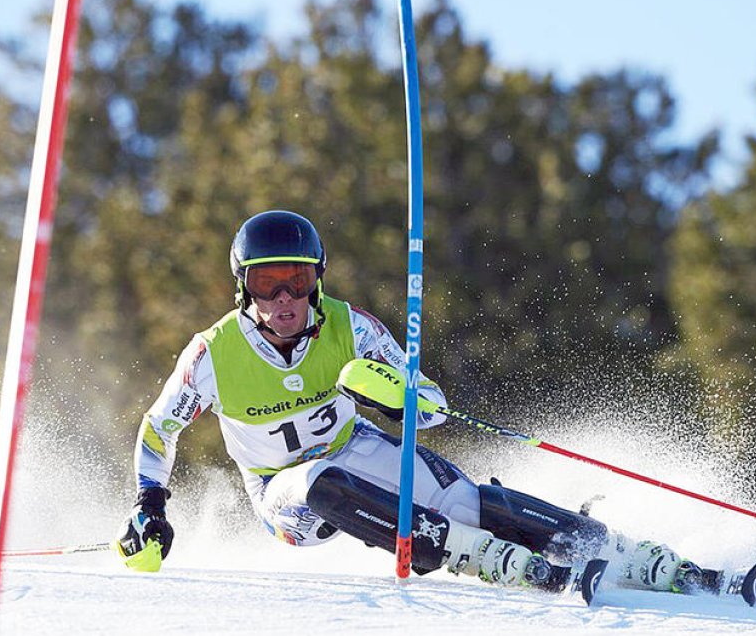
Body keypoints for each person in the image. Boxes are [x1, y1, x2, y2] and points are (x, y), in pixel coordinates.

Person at [117, 210, 708, 592]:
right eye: (267, 283)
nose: (284, 298)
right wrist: (150, 505)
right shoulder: (213, 353)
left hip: (353, 447)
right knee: (319, 478)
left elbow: (433, 404)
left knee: (465, 499)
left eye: (297, 279)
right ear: (243, 287)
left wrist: (397, 401)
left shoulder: (351, 327)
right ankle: (473, 555)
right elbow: (158, 428)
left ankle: (622, 553)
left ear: (317, 279)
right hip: (284, 496)